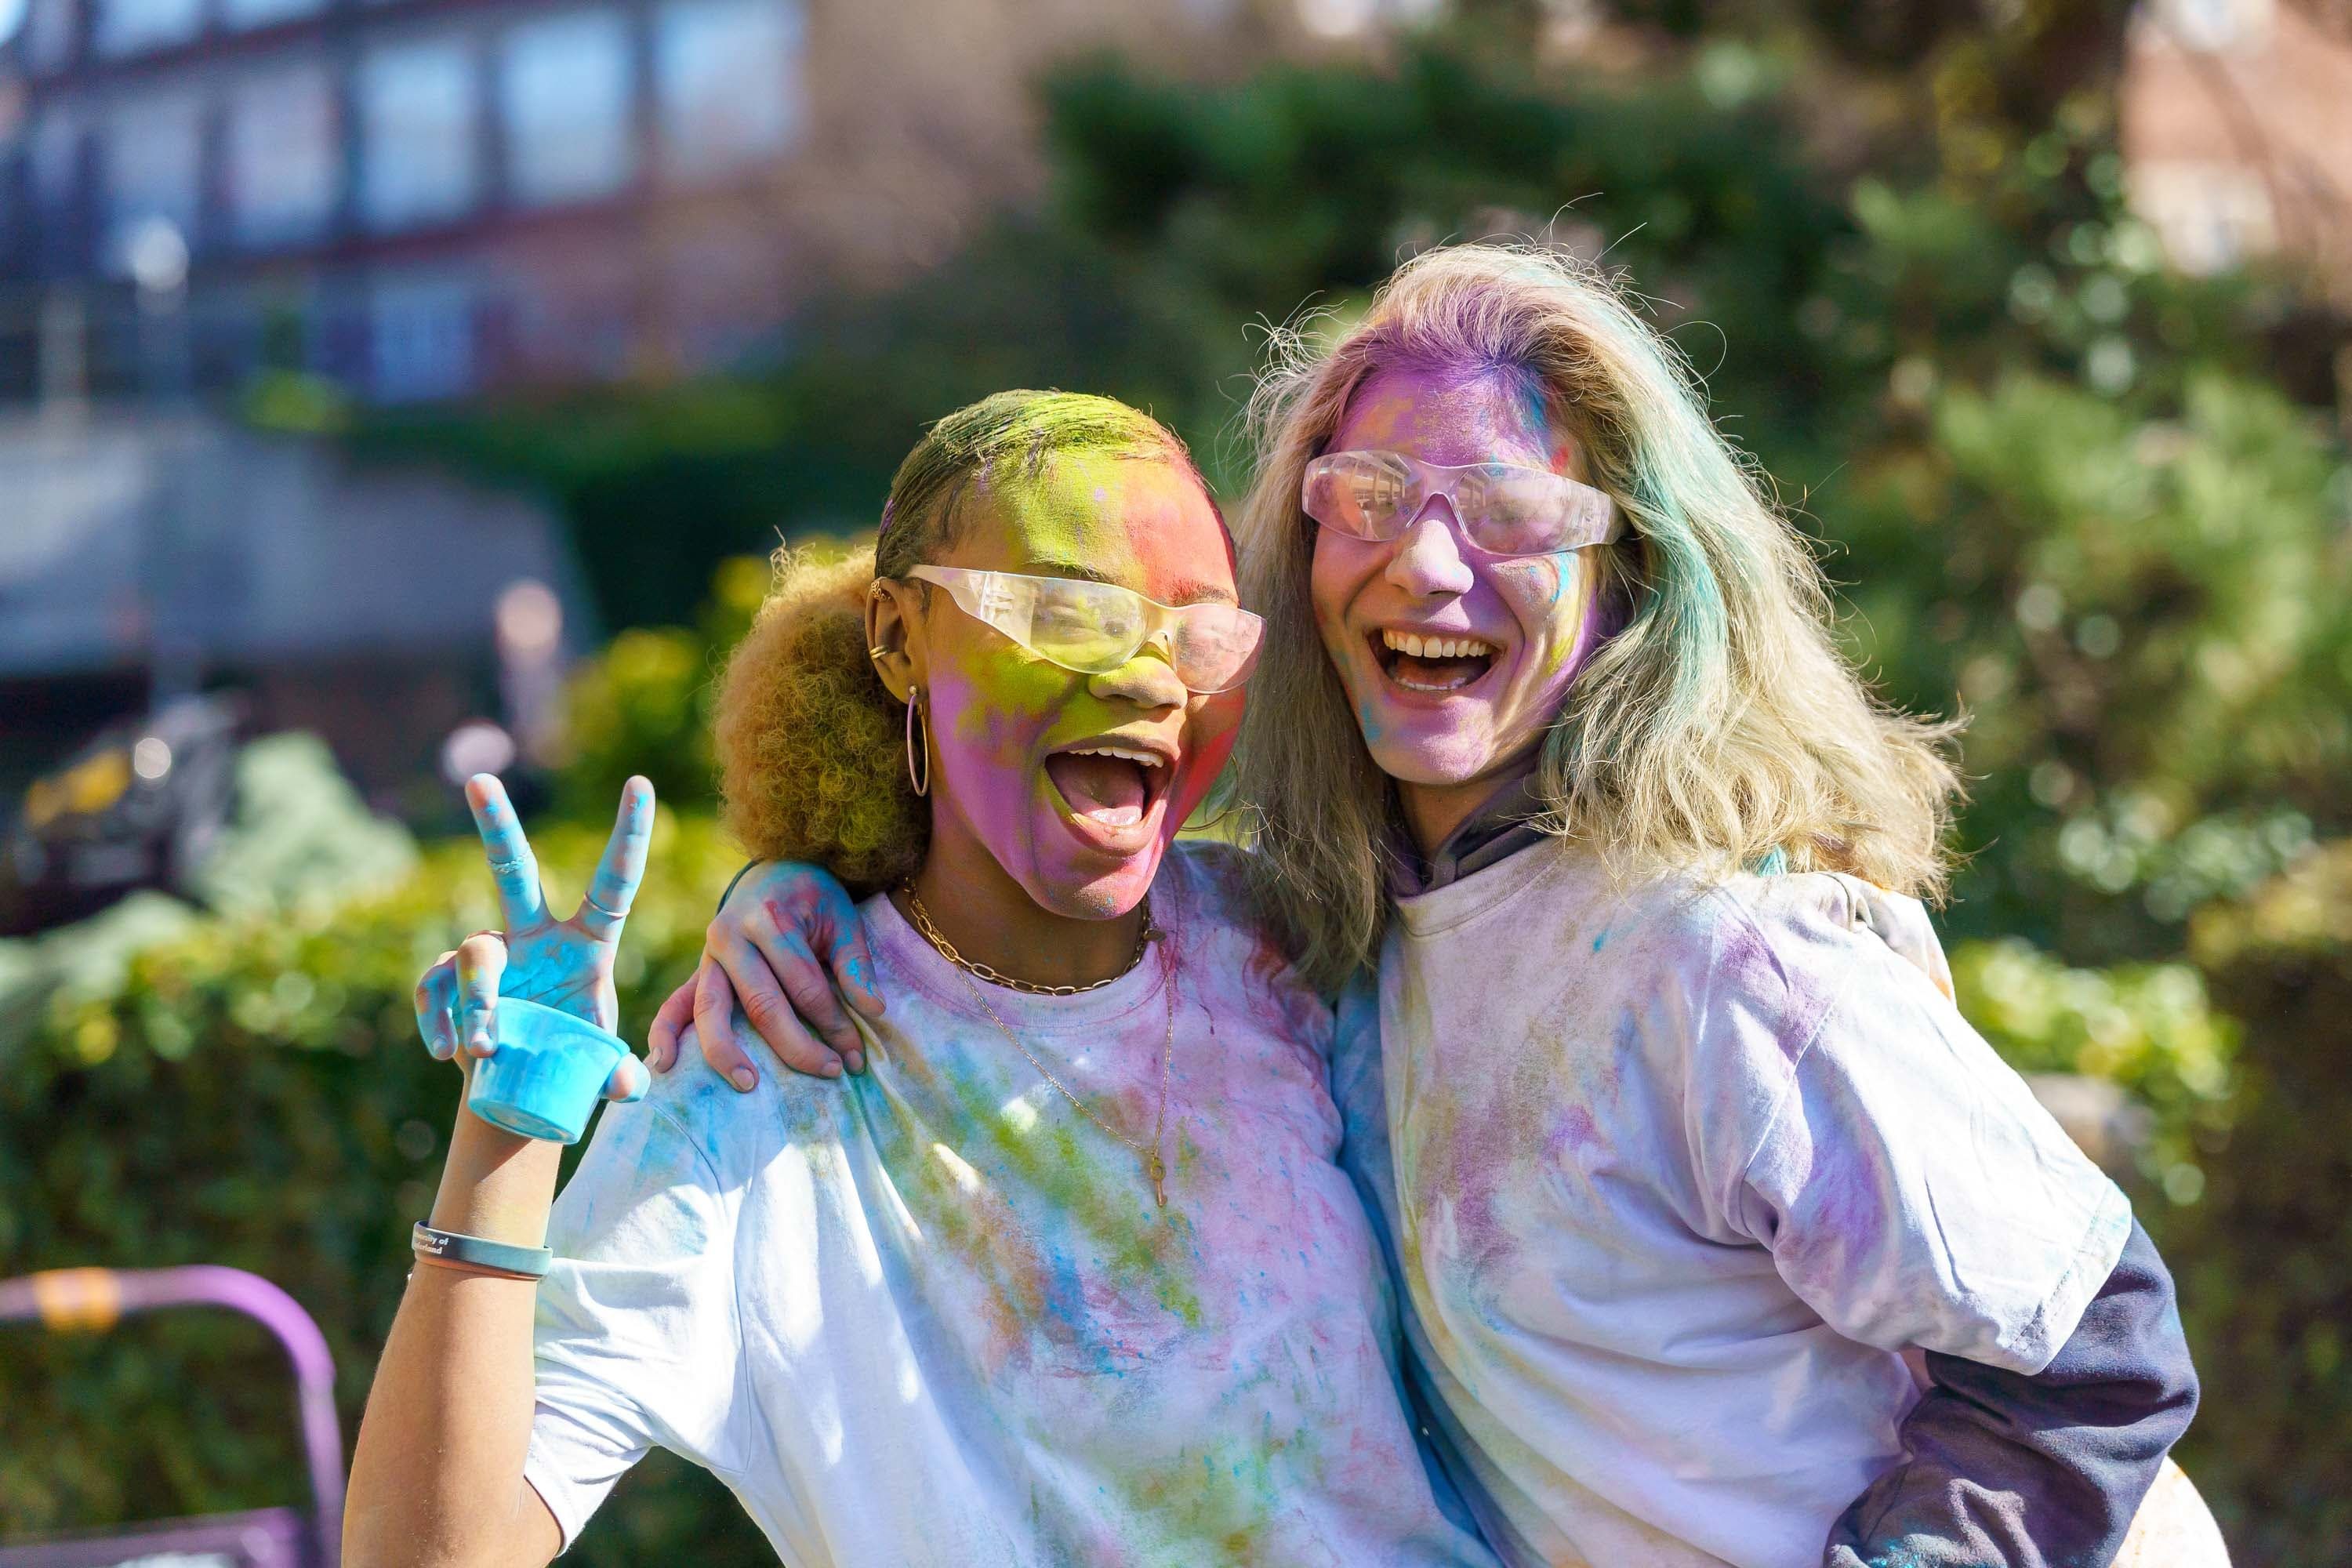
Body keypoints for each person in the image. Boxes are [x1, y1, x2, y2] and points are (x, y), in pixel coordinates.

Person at [662, 248, 2216, 1568]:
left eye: (1510, 513)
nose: (1430, 561)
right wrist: (802, 878)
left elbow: (2097, 1344)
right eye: (1376, 494)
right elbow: (1004, 892)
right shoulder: (1321, 932)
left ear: (1631, 575)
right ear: (1298, 550)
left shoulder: (1725, 954)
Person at [345, 390, 1501, 1567]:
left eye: (1200, 634)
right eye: (1066, 610)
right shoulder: (762, 1076)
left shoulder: (1293, 949)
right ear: (899, 638)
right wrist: (511, 1132)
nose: (1155, 681)